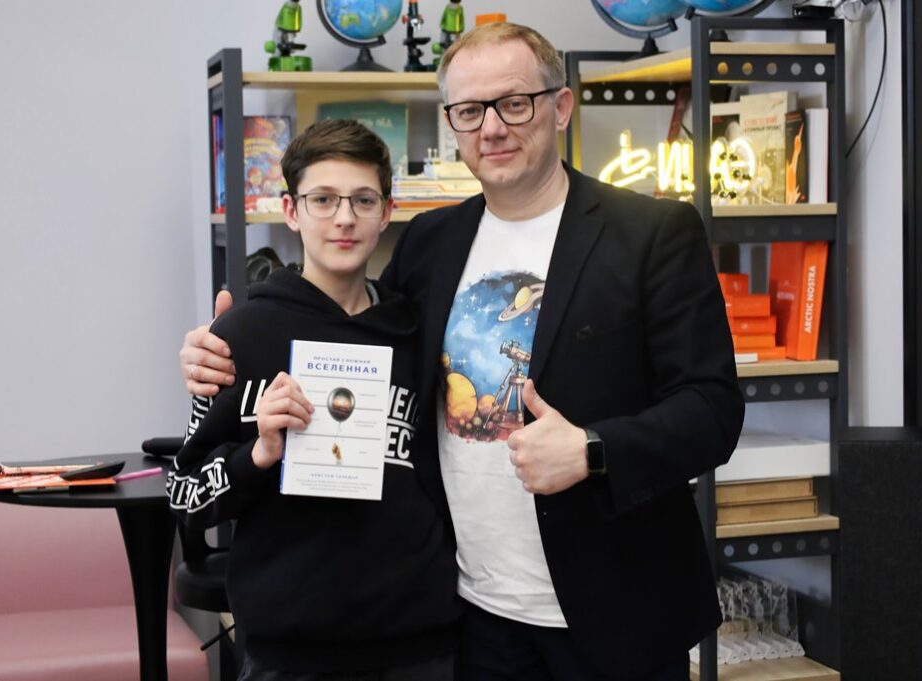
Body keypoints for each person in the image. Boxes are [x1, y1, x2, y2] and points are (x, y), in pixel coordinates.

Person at [181, 22, 744, 681]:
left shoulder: (652, 233)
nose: (493, 128)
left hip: (616, 610)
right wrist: (217, 349)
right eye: (470, 111)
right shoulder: (430, 241)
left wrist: (593, 450)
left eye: (515, 103)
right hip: (472, 616)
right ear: (452, 123)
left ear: (561, 106)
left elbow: (712, 410)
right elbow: (352, 326)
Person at [168, 119, 460, 681]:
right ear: (291, 210)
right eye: (323, 199)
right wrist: (256, 456)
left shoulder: (419, 333)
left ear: (387, 212)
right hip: (289, 651)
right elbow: (185, 496)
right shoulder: (240, 337)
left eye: (362, 200)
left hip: (418, 643)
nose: (344, 218)